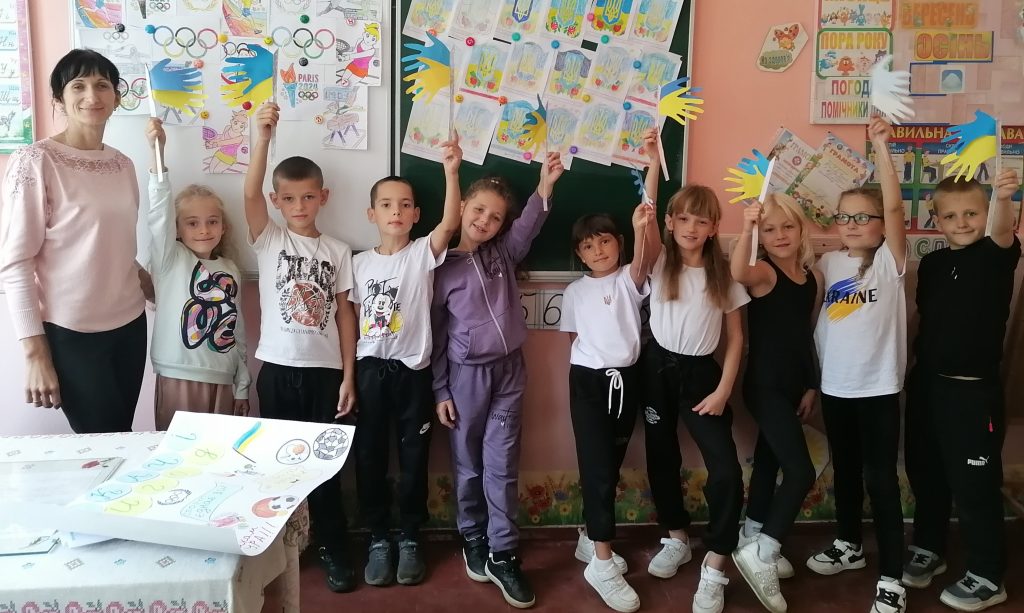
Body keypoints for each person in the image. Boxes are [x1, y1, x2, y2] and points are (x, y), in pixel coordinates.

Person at [432, 153, 564, 609]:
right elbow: (434, 335)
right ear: (461, 206)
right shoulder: (439, 266)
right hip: (465, 377)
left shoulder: (503, 254)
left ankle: (503, 552)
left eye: (495, 217)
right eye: (478, 210)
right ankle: (473, 536)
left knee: (502, 464)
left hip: (509, 373)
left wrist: (545, 186)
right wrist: (440, 390)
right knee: (468, 464)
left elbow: (528, 227)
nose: (485, 221)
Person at [0, 49, 147, 433]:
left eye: (102, 85)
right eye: (78, 86)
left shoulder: (122, 163)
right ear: (59, 99)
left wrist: (156, 281)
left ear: (117, 97)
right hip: (72, 334)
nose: (92, 96)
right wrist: (35, 353)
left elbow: (110, 243)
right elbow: (16, 262)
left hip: (130, 326)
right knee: (103, 442)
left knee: (122, 438)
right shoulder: (36, 161)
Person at [244, 102, 358, 593]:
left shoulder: (338, 251)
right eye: (289, 198)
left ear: (323, 198)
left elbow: (347, 315)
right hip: (276, 369)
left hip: (326, 374)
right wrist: (263, 139)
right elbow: (249, 193)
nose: (299, 206)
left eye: (308, 197)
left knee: (326, 468)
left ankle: (333, 546)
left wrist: (349, 375)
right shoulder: (269, 240)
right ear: (276, 201)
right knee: (278, 466)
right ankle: (280, 549)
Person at [904, 171, 1020, 612]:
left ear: (987, 215)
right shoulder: (932, 264)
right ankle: (929, 548)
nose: (962, 222)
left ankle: (988, 575)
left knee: (974, 487)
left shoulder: (995, 255)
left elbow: (1003, 232)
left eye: (972, 213)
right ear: (936, 220)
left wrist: (1004, 198)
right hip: (927, 388)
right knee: (926, 473)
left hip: (972, 396)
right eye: (951, 216)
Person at [806, 117, 909, 613]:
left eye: (863, 216)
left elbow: (895, 206)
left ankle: (892, 578)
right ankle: (849, 544)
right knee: (845, 471)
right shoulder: (828, 265)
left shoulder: (891, 261)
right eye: (844, 216)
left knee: (881, 481)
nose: (851, 223)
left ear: (882, 224)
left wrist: (882, 148)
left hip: (879, 391)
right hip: (836, 389)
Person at [350, 136, 463, 587]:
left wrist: (451, 172)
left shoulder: (422, 255)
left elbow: (450, 223)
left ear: (416, 215)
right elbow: (349, 322)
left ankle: (411, 535)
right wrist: (349, 378)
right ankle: (378, 536)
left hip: (413, 374)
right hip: (369, 372)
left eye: (405, 205)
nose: (395, 212)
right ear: (371, 214)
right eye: (386, 205)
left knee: (414, 457)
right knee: (370, 456)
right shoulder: (358, 264)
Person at [560, 129, 660, 613]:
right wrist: (592, 376)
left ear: (618, 243)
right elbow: (573, 342)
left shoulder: (630, 279)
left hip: (628, 381)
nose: (598, 250)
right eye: (588, 246)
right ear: (579, 254)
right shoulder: (574, 292)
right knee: (597, 470)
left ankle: (588, 536)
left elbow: (646, 246)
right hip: (588, 383)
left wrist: (653, 166)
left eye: (605, 242)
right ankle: (601, 562)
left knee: (611, 466)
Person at [642, 184, 750, 613]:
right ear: (670, 222)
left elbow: (736, 338)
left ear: (713, 227)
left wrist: (723, 390)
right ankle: (676, 536)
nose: (691, 227)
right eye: (683, 218)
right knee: (661, 455)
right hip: (657, 368)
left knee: (726, 469)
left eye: (701, 220)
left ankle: (717, 560)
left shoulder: (723, 273)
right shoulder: (658, 259)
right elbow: (647, 208)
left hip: (703, 374)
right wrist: (654, 162)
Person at [730, 192, 822, 612]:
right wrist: (747, 226)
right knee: (801, 471)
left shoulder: (810, 277)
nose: (780, 235)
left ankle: (752, 532)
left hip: (791, 388)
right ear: (761, 237)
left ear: (801, 229)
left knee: (769, 461)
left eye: (788, 226)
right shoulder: (764, 272)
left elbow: (805, 337)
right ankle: (764, 552)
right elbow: (738, 271)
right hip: (764, 387)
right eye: (770, 229)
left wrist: (811, 386)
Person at [144, 118, 250, 430]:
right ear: (177, 229)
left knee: (218, 454)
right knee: (178, 453)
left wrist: (242, 385)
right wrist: (157, 154)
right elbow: (159, 212)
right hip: (178, 375)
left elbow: (237, 330)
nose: (204, 230)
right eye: (192, 223)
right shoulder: (170, 259)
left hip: (222, 379)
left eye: (212, 221)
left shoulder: (230, 269)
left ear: (223, 226)